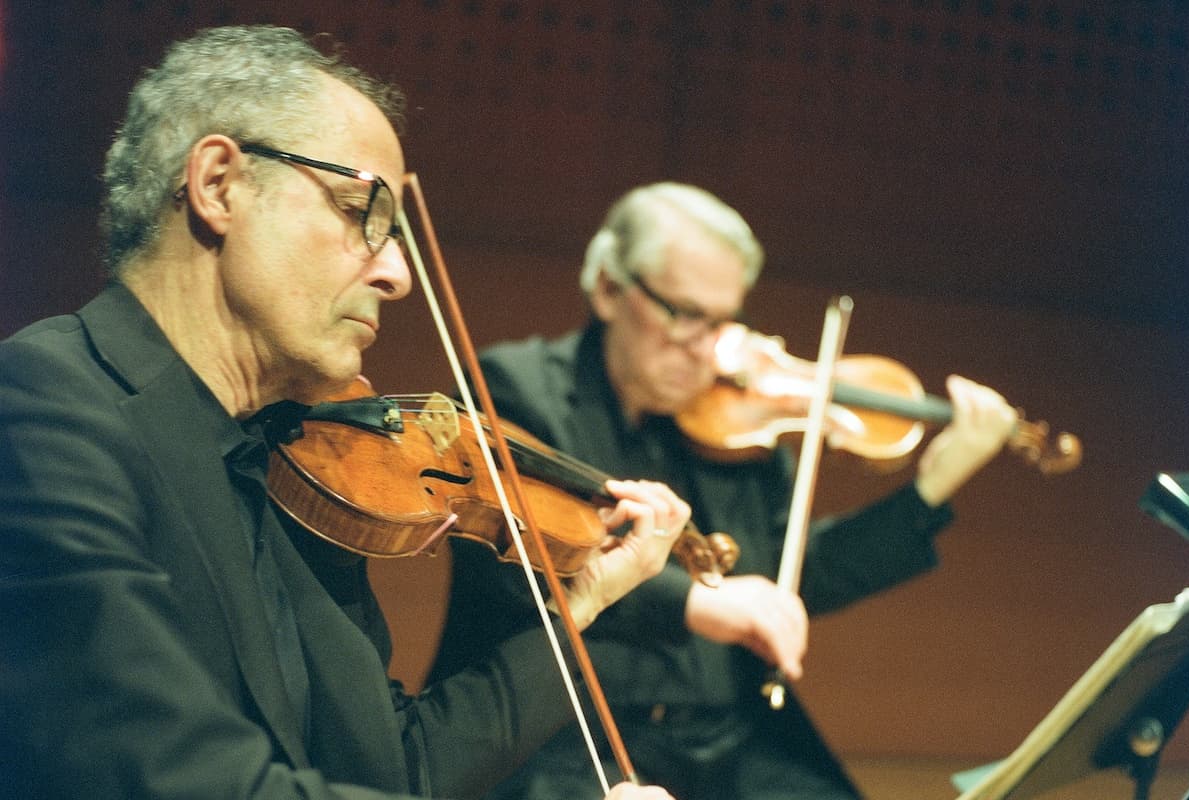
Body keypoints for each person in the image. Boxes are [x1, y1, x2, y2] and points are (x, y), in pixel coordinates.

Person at [0, 26, 687, 800]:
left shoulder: (297, 461)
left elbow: (399, 766)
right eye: (363, 211)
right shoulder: (41, 410)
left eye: (397, 233)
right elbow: (180, 777)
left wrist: (583, 598)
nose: (396, 273)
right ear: (219, 184)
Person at [428, 182, 1018, 799]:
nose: (709, 348)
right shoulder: (515, 389)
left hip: (727, 739)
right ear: (609, 289)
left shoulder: (739, 431)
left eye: (725, 320)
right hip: (562, 733)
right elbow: (526, 550)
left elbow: (792, 577)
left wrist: (928, 490)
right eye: (684, 315)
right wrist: (696, 602)